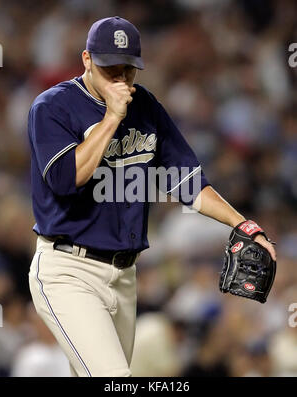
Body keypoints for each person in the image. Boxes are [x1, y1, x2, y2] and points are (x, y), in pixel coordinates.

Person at [28, 16, 276, 377]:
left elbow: (188, 182)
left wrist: (245, 224)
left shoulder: (145, 106)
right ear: (86, 60)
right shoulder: (52, 107)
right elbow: (67, 179)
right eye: (109, 67)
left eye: (127, 69)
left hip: (125, 276)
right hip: (68, 270)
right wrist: (113, 117)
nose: (120, 78)